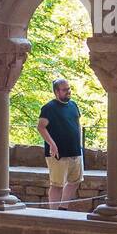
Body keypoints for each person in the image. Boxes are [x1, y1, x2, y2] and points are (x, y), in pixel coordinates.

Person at [38, 77, 83, 208]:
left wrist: (78, 145)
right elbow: (41, 127)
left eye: (69, 89)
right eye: (64, 90)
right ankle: (53, 212)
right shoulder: (48, 108)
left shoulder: (74, 105)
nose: (68, 91)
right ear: (56, 92)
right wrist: (52, 144)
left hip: (75, 150)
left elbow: (77, 124)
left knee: (75, 181)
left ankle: (63, 208)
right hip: (57, 153)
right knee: (57, 184)